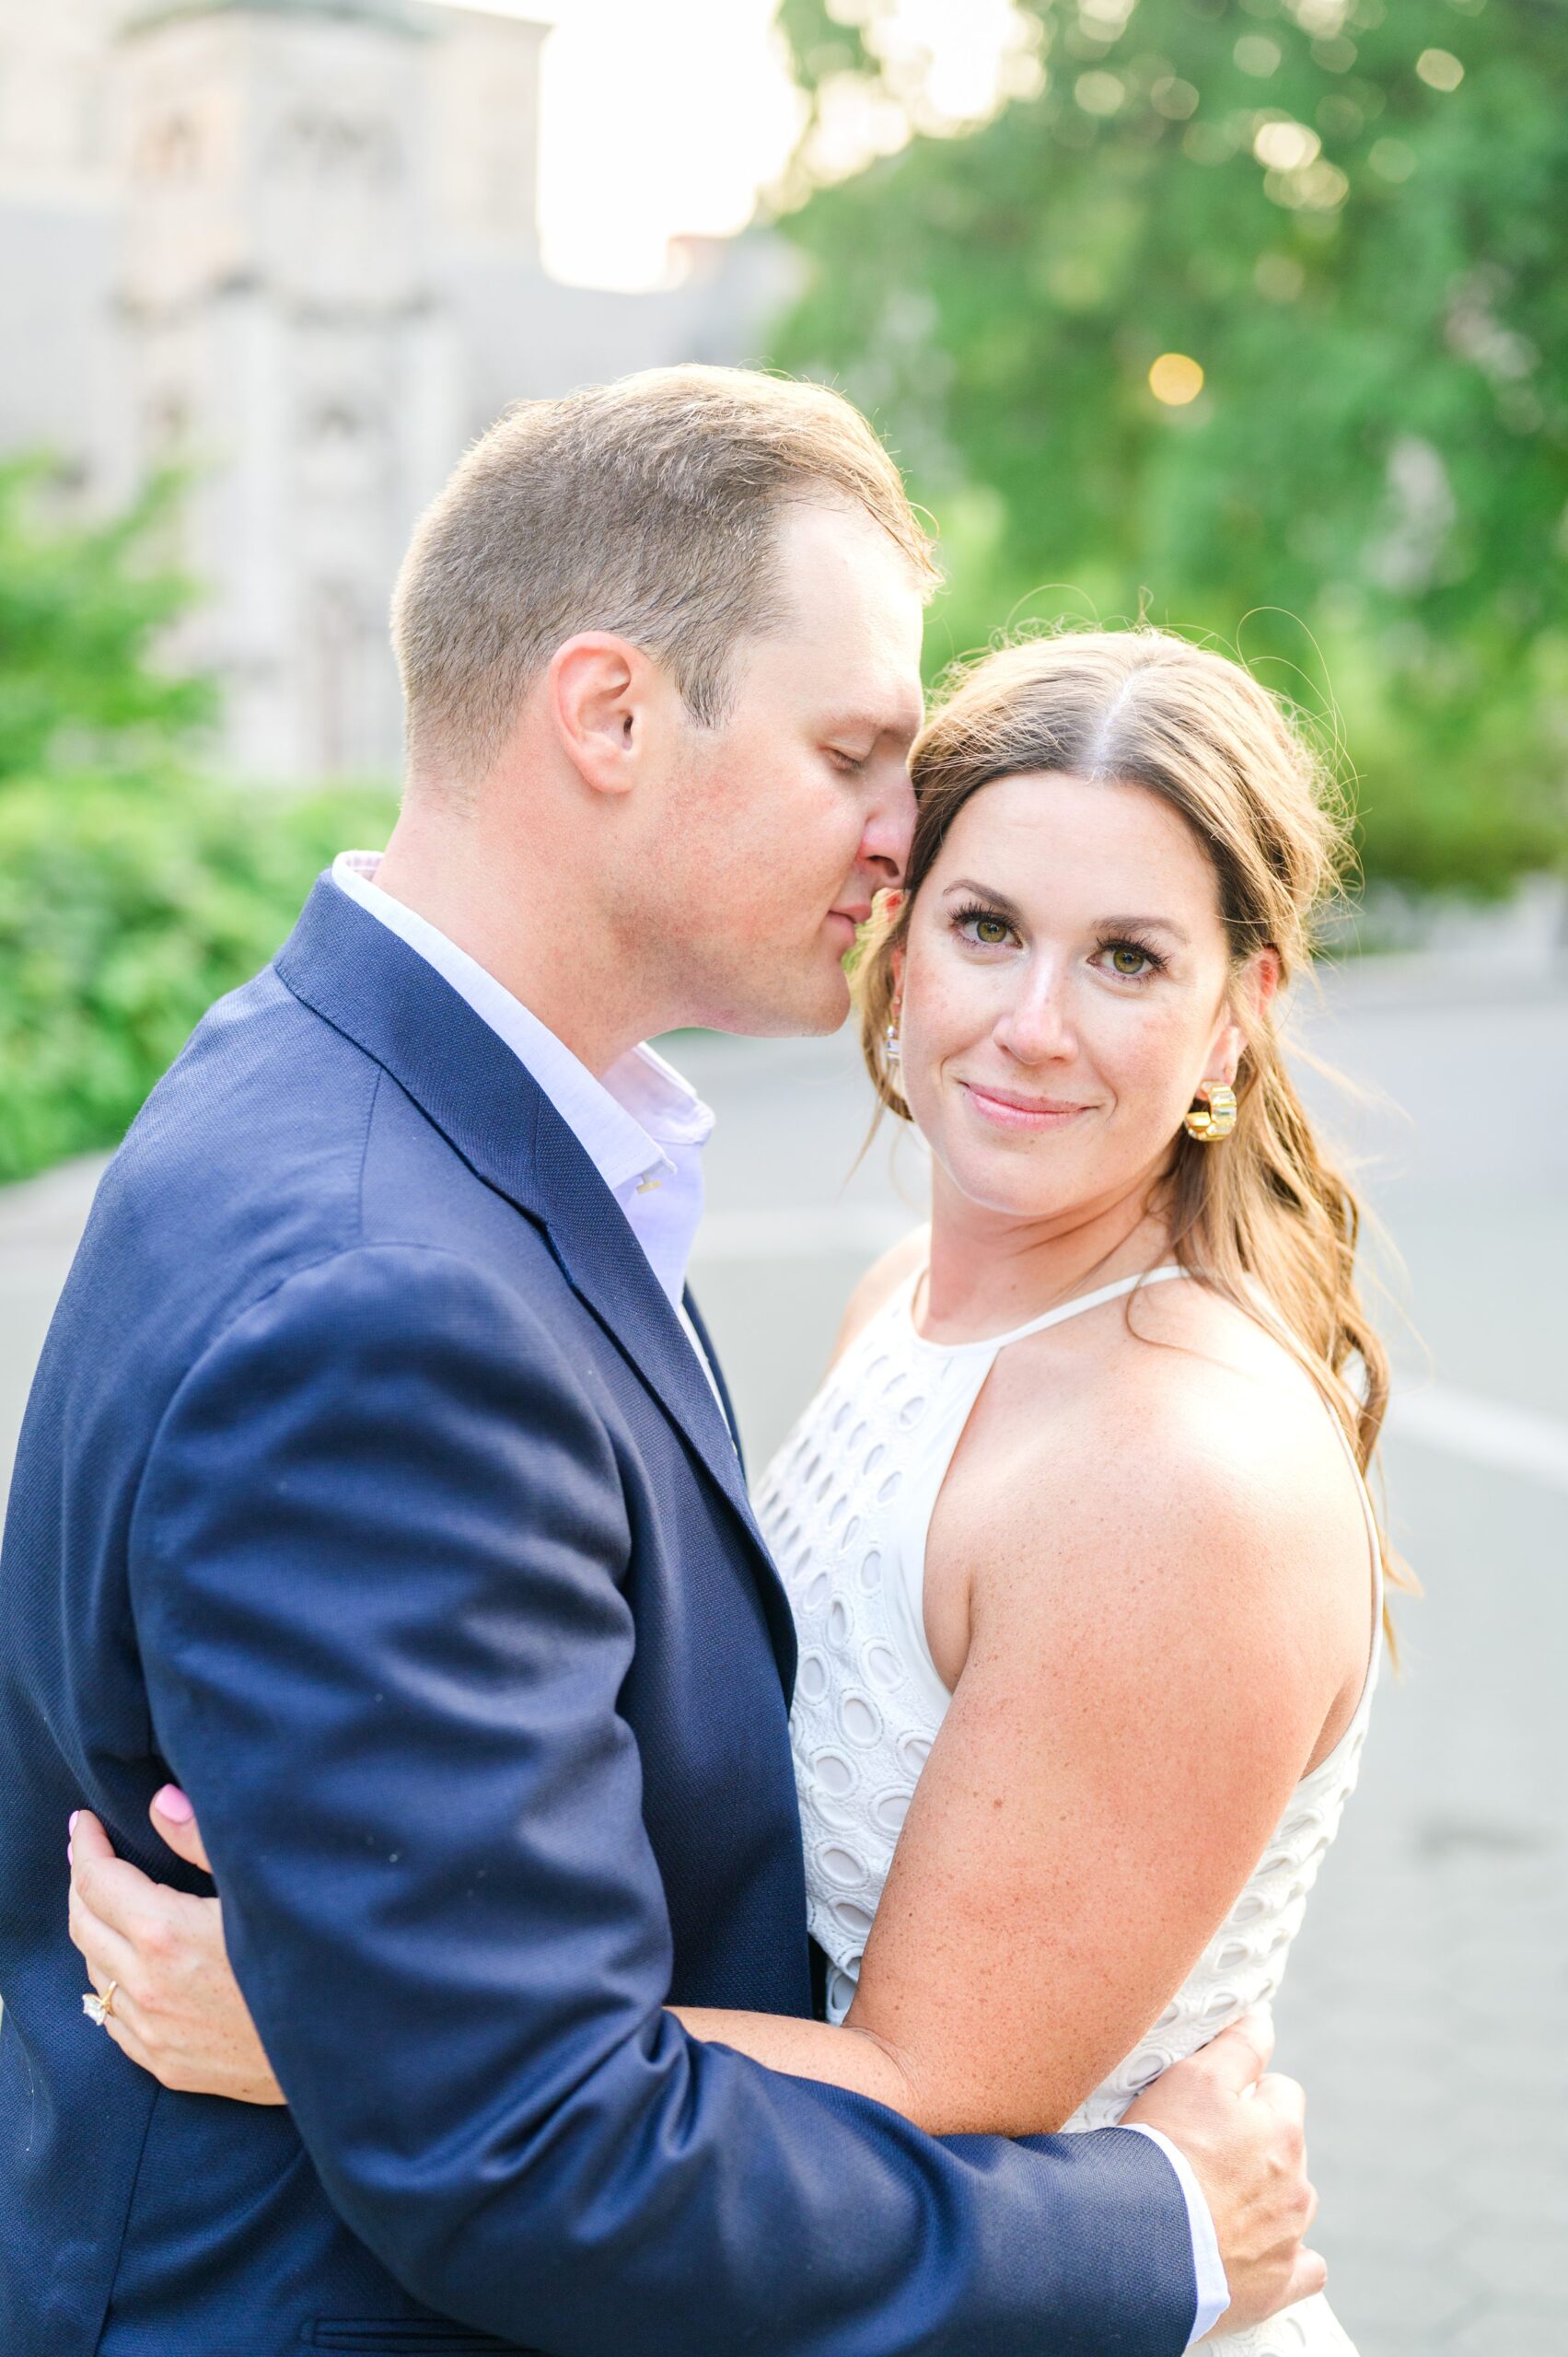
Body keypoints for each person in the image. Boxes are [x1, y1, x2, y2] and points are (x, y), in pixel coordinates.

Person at [3, 367, 1318, 2357]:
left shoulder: (332, 1079)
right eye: (856, 752)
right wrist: (1156, 2230)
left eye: (1129, 954)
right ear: (610, 714)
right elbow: (527, 2140)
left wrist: (358, 2023)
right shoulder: (393, 1283)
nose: (902, 832)